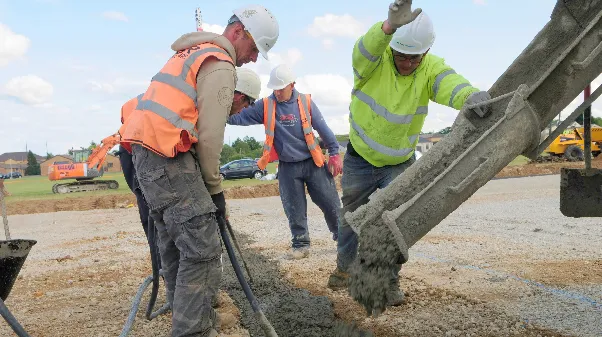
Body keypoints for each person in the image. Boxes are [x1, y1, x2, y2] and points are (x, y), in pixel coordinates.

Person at [118, 5, 278, 337]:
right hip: (168, 155)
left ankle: (188, 320)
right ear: (237, 34)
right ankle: (192, 331)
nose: (252, 59)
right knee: (203, 248)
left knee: (176, 245)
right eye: (253, 49)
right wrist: (215, 193)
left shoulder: (190, 53)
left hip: (145, 159)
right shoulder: (220, 65)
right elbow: (210, 138)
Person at [327, 0, 491, 307]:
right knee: (351, 216)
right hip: (360, 159)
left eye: (414, 58)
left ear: (425, 53)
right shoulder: (373, 61)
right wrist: (387, 28)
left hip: (399, 163)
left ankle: (386, 284)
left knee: (396, 222)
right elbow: (362, 50)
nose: (407, 63)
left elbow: (450, 84)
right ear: (392, 47)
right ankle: (345, 270)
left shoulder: (429, 67)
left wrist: (471, 96)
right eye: (402, 55)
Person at [116, 66, 262, 276]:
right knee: (159, 221)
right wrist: (216, 196)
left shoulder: (202, 94)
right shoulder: (204, 100)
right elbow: (203, 151)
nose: (243, 111)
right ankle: (174, 284)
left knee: (172, 220)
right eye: (247, 104)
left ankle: (180, 288)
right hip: (139, 149)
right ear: (238, 96)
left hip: (149, 143)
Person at [227, 63, 343, 259]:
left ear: (292, 85)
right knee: (294, 208)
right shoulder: (266, 105)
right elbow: (238, 116)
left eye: (281, 89)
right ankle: (301, 245)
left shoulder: (305, 102)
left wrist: (334, 153)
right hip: (288, 167)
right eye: (275, 89)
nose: (278, 93)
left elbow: (323, 129)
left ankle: (343, 238)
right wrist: (220, 111)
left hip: (312, 162)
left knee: (330, 202)